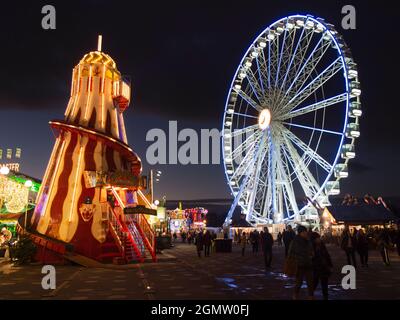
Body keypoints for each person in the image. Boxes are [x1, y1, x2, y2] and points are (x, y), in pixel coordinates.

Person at [288, 225, 314, 300]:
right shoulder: (295, 242)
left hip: (308, 263)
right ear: (301, 233)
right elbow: (291, 253)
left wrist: (311, 254)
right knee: (299, 282)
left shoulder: (308, 241)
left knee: (310, 282)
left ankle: (310, 296)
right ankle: (295, 294)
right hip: (299, 264)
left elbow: (311, 249)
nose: (306, 233)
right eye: (305, 232)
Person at [310, 232, 333, 300]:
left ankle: (325, 297)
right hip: (316, 268)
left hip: (324, 268)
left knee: (324, 285)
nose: (319, 239)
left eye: (319, 238)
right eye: (317, 238)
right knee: (314, 283)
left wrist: (330, 265)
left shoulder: (322, 245)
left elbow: (327, 255)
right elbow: (311, 258)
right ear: (314, 239)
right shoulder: (311, 247)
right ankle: (310, 296)